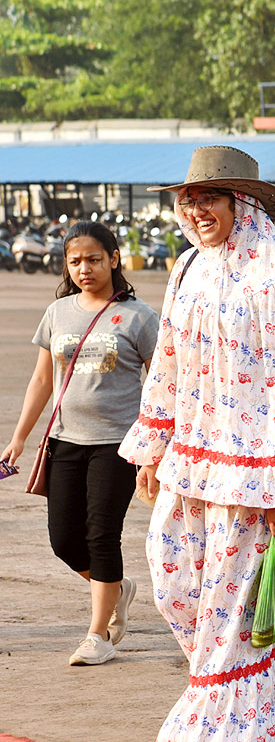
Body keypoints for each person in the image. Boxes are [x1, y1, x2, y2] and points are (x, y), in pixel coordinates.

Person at [119, 145, 275, 742]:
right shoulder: (188, 269)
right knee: (174, 586)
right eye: (189, 199)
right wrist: (151, 451)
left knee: (224, 602)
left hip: (250, 472)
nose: (197, 209)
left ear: (242, 205)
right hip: (189, 458)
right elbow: (167, 362)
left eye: (210, 197)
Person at [2, 222, 157, 666]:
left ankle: (98, 635)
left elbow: (163, 381)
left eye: (93, 259)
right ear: (65, 265)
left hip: (119, 444)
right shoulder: (58, 313)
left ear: (113, 258)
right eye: (75, 261)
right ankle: (117, 589)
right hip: (65, 440)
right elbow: (41, 378)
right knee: (64, 540)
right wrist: (19, 437)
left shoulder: (137, 316)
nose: (84, 269)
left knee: (101, 534)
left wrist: (158, 441)